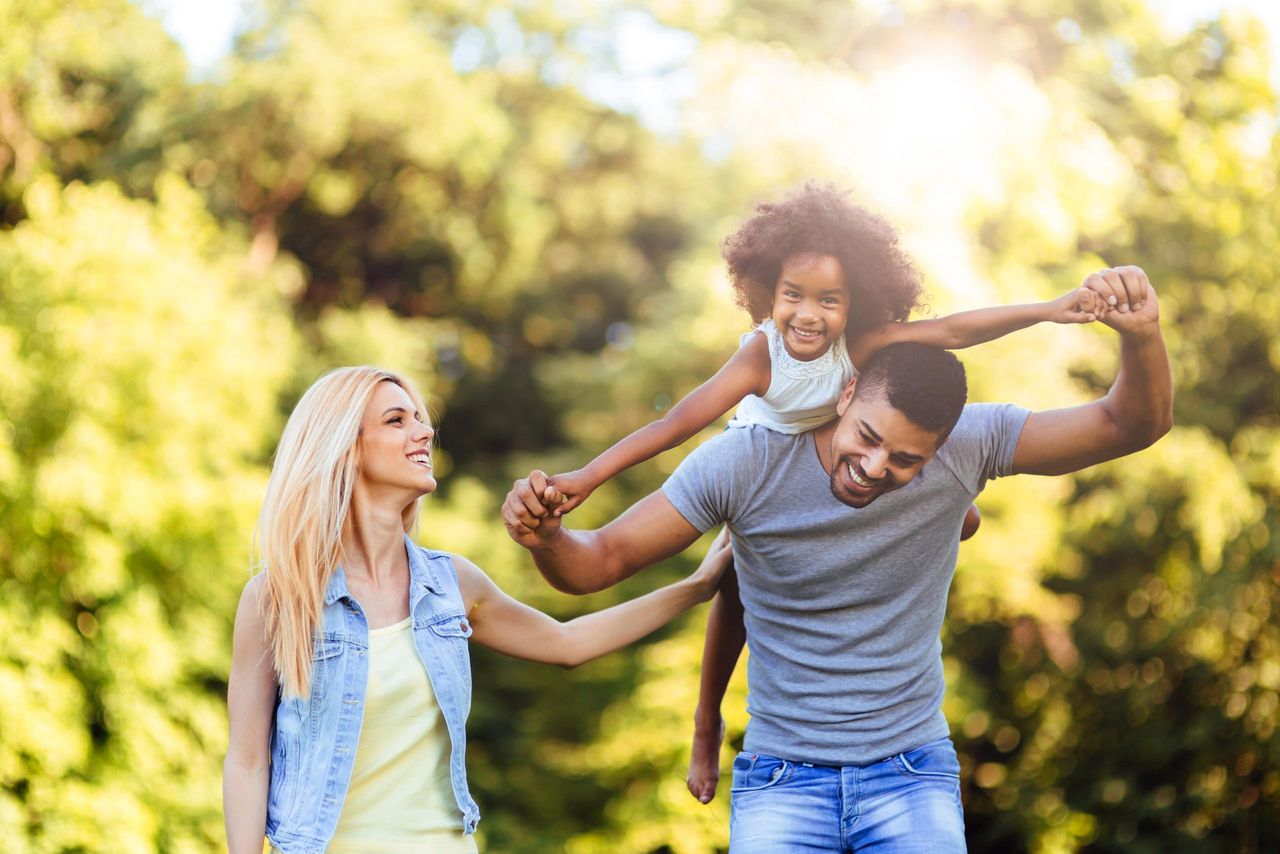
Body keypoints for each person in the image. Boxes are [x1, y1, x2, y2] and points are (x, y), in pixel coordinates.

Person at [502, 265, 1171, 852]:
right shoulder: (745, 460)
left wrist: (1140, 335)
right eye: (868, 438)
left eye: (907, 460)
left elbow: (1130, 425)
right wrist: (548, 537)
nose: (874, 468)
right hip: (782, 778)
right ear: (846, 394)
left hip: (912, 773)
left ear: (942, 447)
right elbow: (598, 563)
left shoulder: (970, 442)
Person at [222, 366, 732, 854]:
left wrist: (697, 586)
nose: (423, 432)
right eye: (396, 420)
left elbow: (569, 643)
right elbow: (247, 761)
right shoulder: (279, 597)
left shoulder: (450, 585)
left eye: (419, 418)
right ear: (345, 448)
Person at [546, 183, 1104, 544]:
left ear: (855, 301)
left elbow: (952, 330)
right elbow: (675, 425)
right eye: (793, 295)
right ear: (769, 292)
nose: (807, 315)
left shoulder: (859, 344)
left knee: (964, 519)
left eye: (828, 300)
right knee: (734, 568)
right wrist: (588, 477)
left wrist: (1048, 310)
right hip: (779, 451)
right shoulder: (759, 358)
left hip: (840, 433)